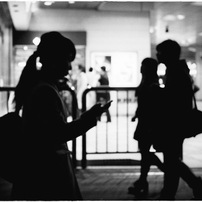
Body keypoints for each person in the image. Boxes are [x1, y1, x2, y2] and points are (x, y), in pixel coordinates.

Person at [11, 31, 111, 200]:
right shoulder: (45, 91)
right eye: (67, 60)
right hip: (47, 172)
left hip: (39, 169)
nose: (69, 67)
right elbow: (58, 134)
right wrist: (88, 119)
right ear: (54, 60)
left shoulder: (41, 86)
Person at [155, 39, 202, 200]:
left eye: (160, 53)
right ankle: (174, 191)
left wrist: (159, 93)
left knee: (171, 161)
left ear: (168, 54)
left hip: (174, 122)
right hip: (176, 122)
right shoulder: (178, 69)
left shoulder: (175, 71)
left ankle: (172, 192)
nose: (157, 56)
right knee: (172, 160)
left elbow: (174, 99)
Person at [128, 58, 164, 196]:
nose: (141, 68)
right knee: (144, 153)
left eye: (143, 66)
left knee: (145, 152)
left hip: (147, 124)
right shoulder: (147, 83)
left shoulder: (152, 85)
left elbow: (151, 107)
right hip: (144, 123)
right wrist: (136, 115)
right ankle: (143, 181)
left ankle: (166, 169)